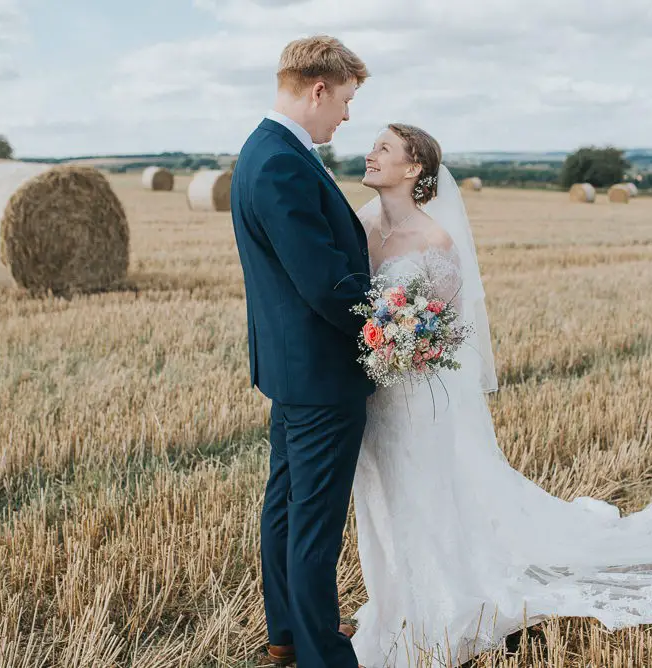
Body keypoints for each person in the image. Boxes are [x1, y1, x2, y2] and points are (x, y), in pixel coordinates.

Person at [349, 123, 652, 668]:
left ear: (413, 168)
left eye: (383, 148)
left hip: (415, 397)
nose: (369, 154)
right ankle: (392, 602)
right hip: (372, 394)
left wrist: (405, 344)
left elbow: (447, 331)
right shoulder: (359, 224)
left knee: (421, 496)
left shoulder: (437, 242)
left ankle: (439, 607)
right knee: (379, 500)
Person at [229, 35, 372, 668]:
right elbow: (324, 280)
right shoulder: (282, 160)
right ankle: (322, 655)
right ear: (319, 89)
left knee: (287, 508)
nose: (346, 115)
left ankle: (286, 633)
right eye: (344, 100)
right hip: (319, 375)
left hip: (291, 370)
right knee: (313, 524)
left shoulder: (267, 149)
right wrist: (388, 328)